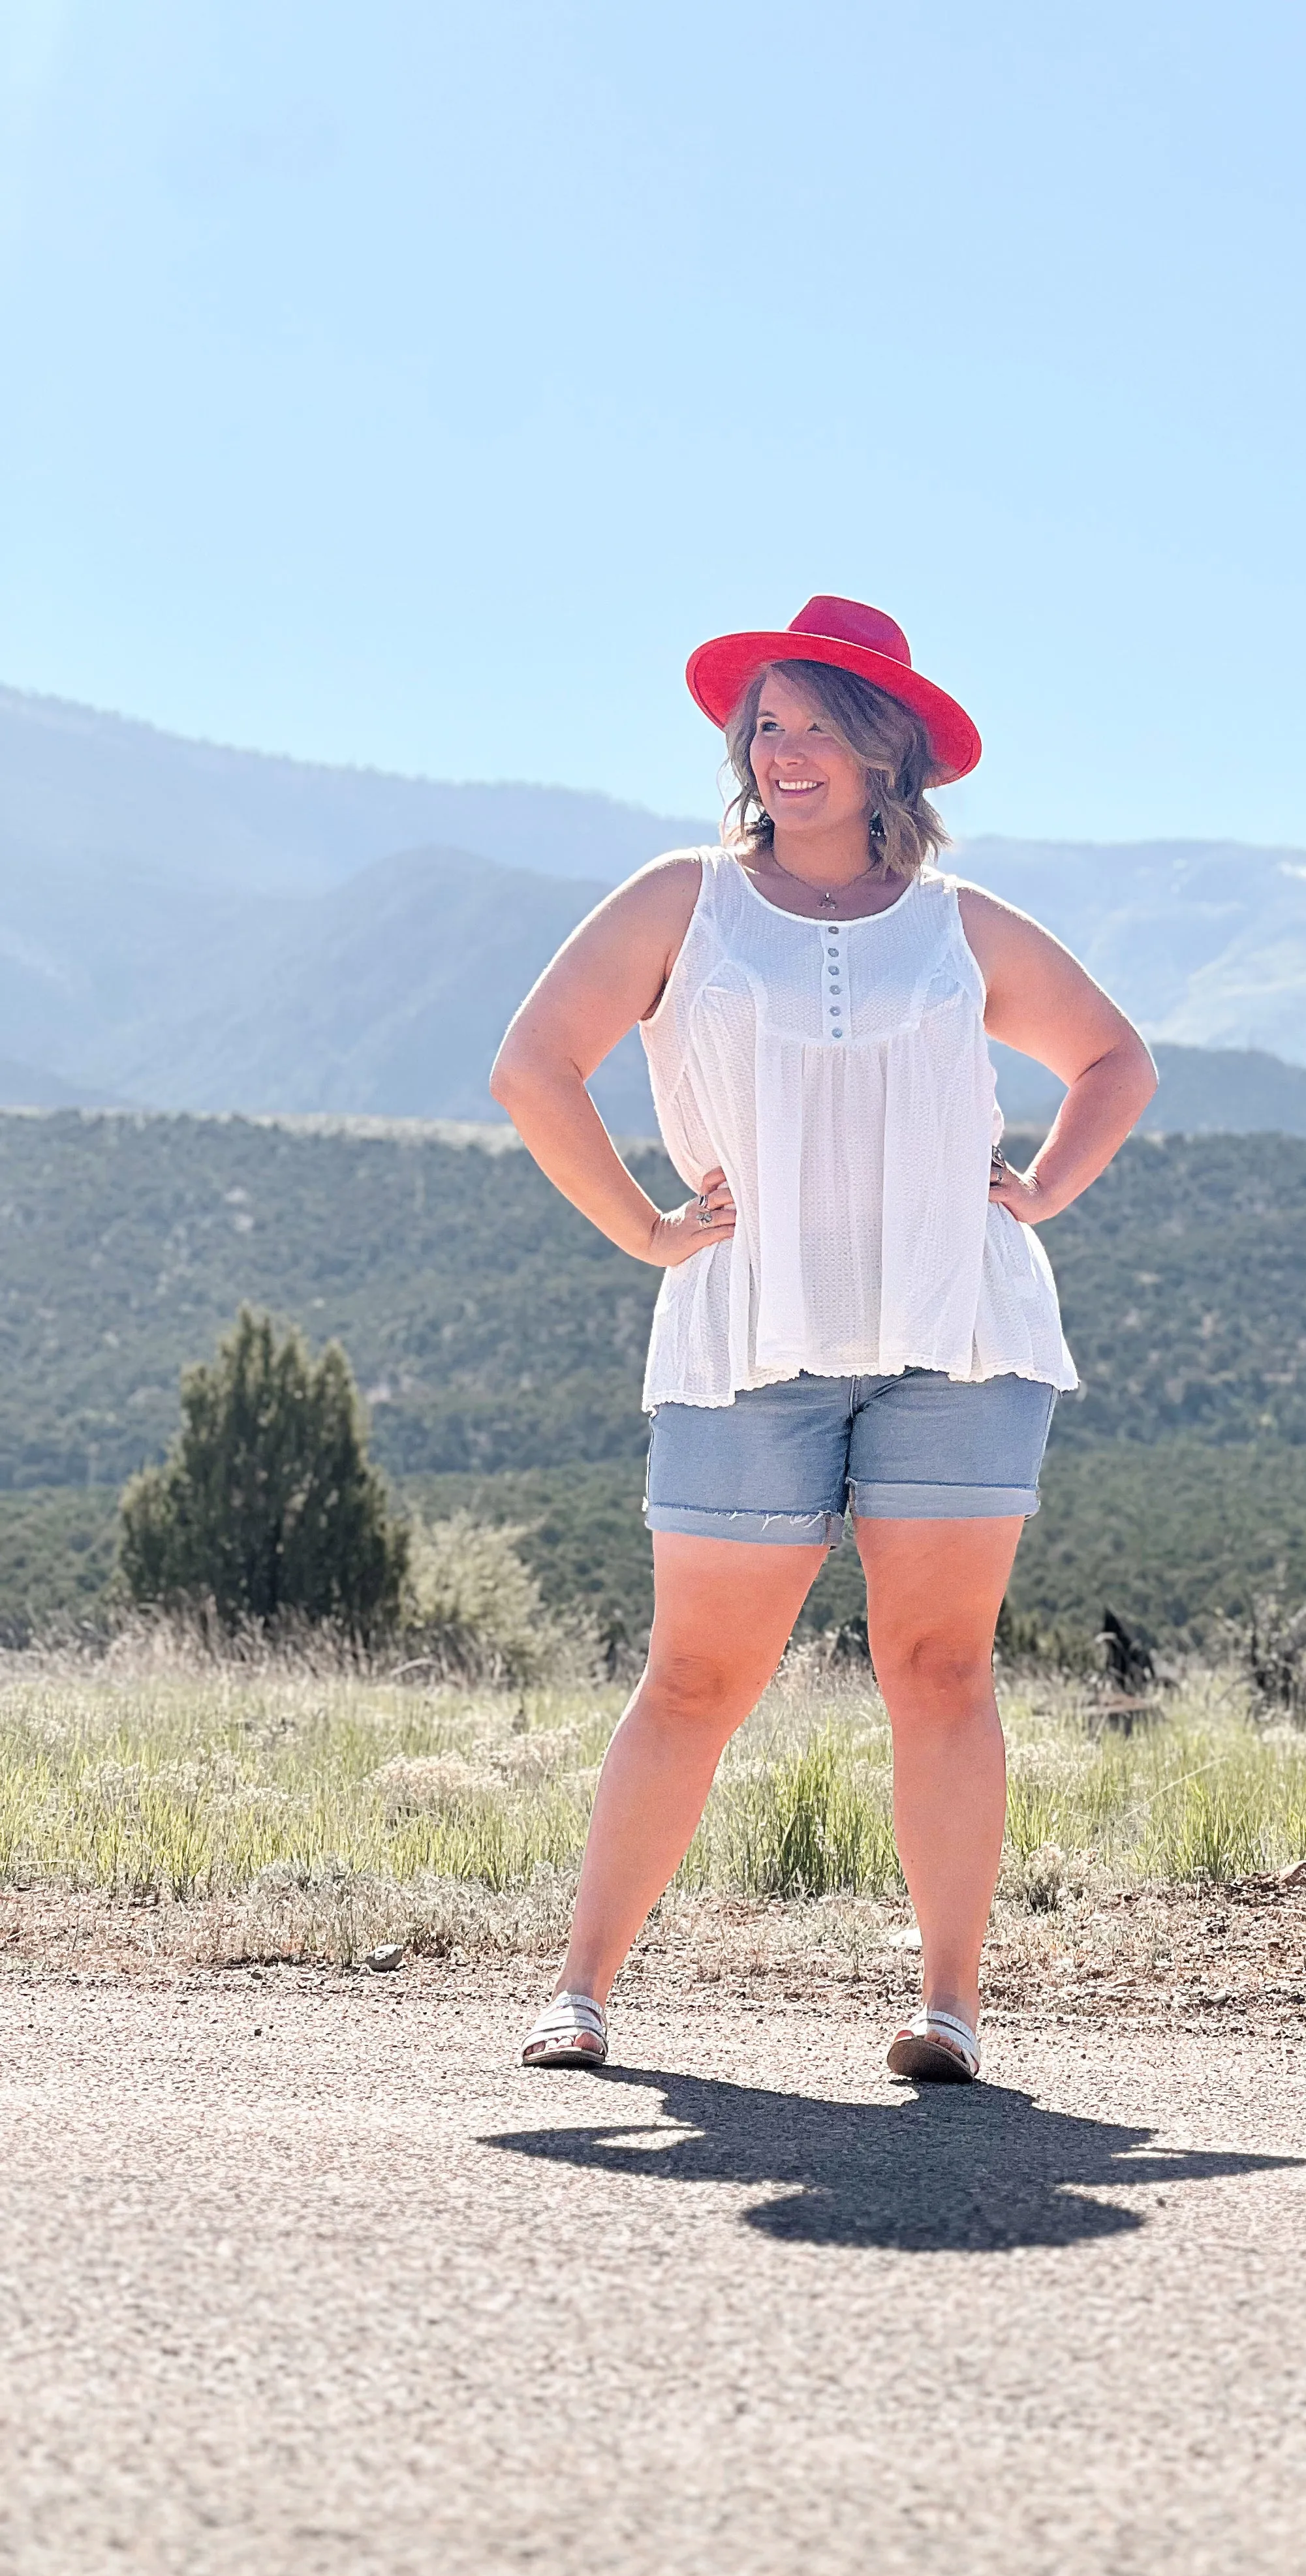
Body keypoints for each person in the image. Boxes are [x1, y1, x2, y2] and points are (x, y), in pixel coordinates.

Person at [491, 596, 1155, 2082]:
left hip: (958, 1339)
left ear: (885, 752)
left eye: (820, 726)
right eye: (767, 724)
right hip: (747, 1339)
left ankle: (949, 2009)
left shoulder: (958, 925)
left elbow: (1118, 1059)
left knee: (940, 1670)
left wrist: (1042, 1189)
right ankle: (583, 1991)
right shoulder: (685, 900)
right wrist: (646, 1229)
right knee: (694, 1681)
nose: (786, 752)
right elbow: (531, 1068)